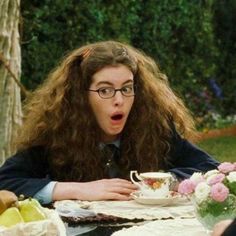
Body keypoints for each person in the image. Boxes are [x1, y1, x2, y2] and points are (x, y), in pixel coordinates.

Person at [0, 40, 219, 205]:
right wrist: (76, 190)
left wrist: (160, 183)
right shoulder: (55, 134)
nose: (119, 100)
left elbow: (211, 169)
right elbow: (6, 181)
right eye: (105, 90)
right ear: (81, 97)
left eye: (127, 88)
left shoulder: (154, 128)